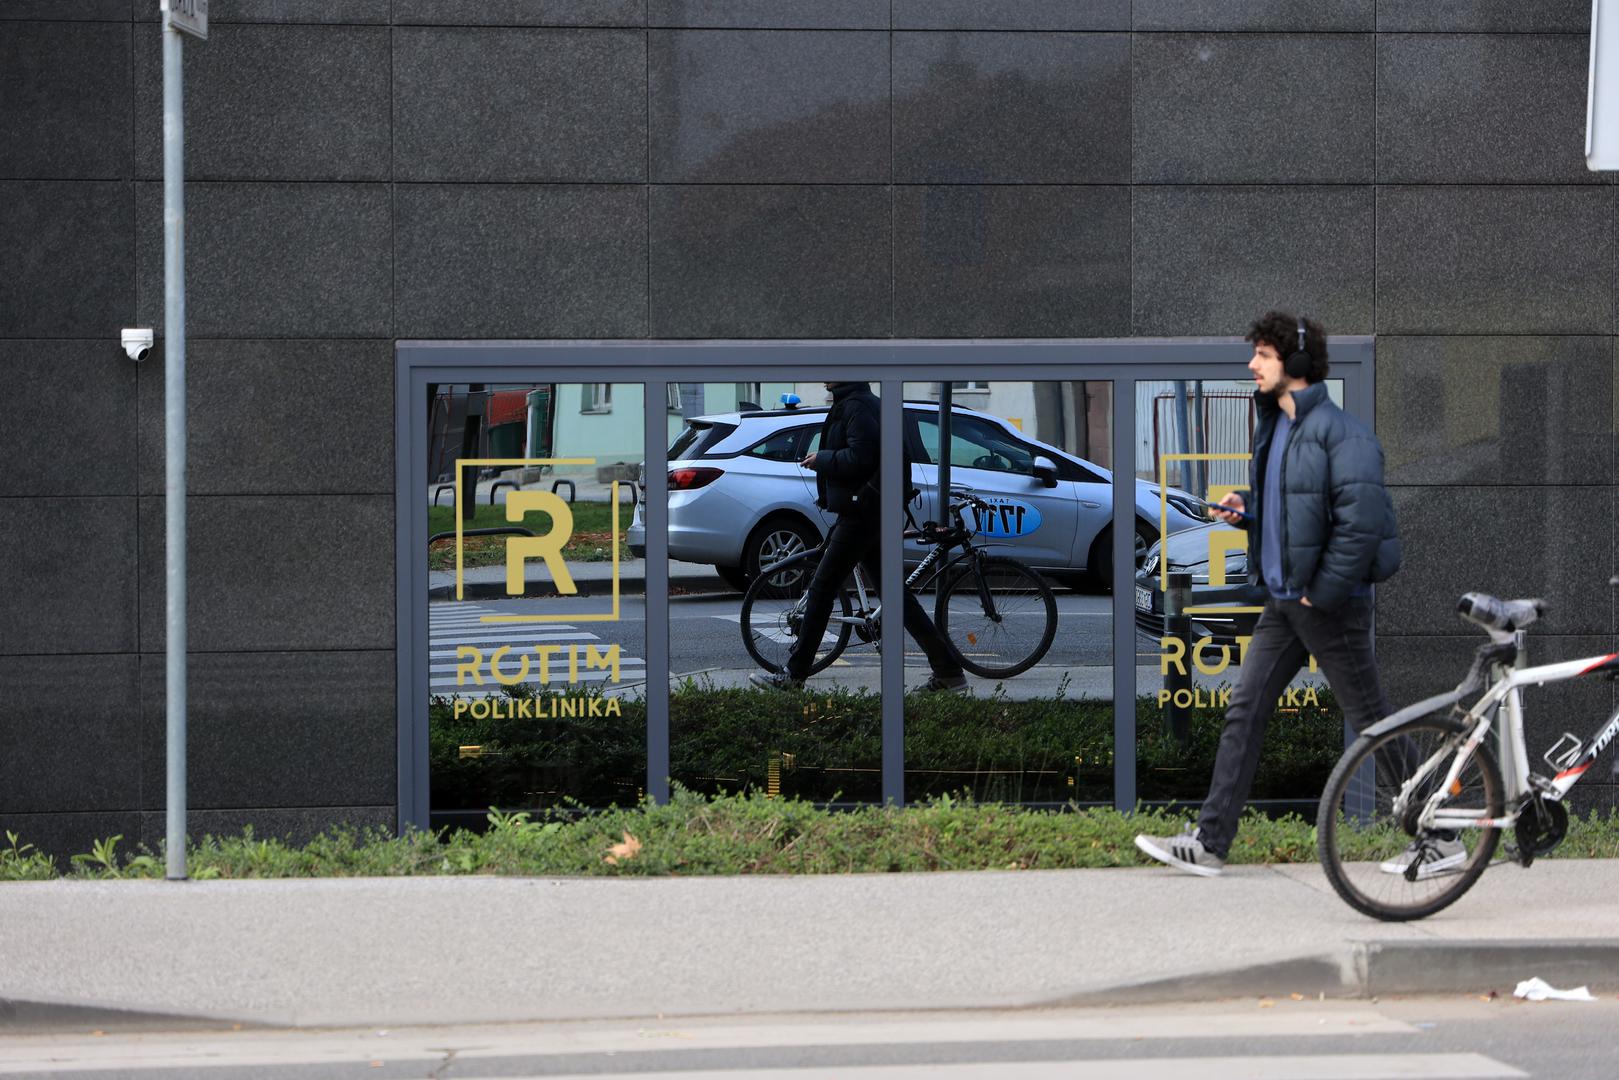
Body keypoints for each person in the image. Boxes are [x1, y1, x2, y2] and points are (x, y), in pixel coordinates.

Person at [1134, 312, 1423, 877]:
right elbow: (1293, 508)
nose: (1252, 365)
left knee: (1373, 720)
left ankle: (1435, 835)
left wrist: (1324, 592)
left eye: (1262, 355)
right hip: (1285, 603)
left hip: (1325, 606)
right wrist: (1248, 507)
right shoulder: (1279, 425)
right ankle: (1211, 842)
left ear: (1294, 363)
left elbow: (1361, 526)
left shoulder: (1344, 435)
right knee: (1245, 711)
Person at [749, 382, 968, 694]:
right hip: (871, 510)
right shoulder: (861, 403)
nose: (824, 375)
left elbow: (860, 458)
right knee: (895, 596)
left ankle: (794, 675)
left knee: (823, 587)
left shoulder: (857, 406)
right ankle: (949, 673)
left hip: (862, 513)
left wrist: (822, 458)